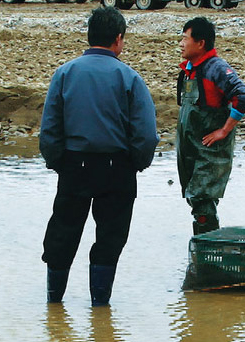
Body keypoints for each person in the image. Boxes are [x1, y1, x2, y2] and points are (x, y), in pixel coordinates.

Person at [39, 6, 158, 307]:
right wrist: (137, 163)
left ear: (90, 36)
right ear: (118, 39)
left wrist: (58, 162)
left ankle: (54, 303)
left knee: (63, 234)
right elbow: (145, 134)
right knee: (110, 238)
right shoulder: (129, 78)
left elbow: (50, 129)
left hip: (74, 165)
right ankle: (100, 307)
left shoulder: (65, 73)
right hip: (116, 168)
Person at [177, 16, 245, 235]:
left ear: (200, 43)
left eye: (185, 39)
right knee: (196, 200)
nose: (181, 44)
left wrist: (224, 130)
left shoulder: (216, 69)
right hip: (191, 149)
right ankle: (206, 248)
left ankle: (208, 253)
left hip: (210, 154)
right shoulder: (190, 69)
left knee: (202, 201)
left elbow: (243, 96)